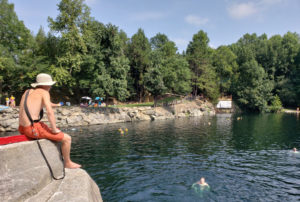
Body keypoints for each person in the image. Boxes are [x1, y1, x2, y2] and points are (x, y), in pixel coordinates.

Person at [18, 73, 81, 169]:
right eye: (50, 85)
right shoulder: (44, 92)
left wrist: (56, 105)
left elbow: (40, 102)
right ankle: (67, 163)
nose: (51, 87)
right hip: (32, 128)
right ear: (47, 85)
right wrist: (54, 129)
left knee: (47, 127)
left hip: (22, 128)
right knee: (67, 139)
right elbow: (49, 112)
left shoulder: (28, 91)